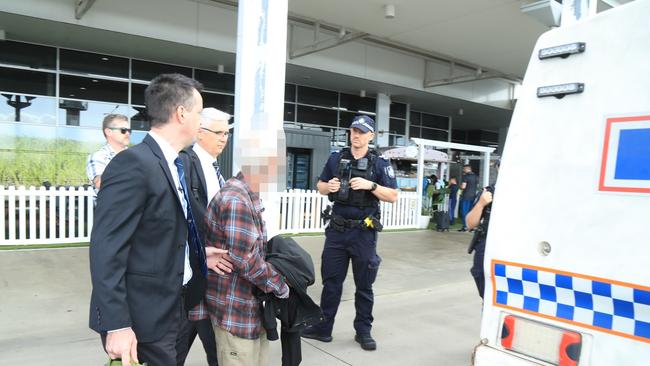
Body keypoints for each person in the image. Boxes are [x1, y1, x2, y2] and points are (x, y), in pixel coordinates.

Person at [88, 73, 229, 365]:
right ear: (181, 113)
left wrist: (200, 253)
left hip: (174, 306)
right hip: (142, 318)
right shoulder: (133, 164)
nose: (201, 121)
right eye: (199, 113)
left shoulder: (177, 162)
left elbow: (162, 230)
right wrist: (117, 325)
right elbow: (107, 248)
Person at [301, 115, 398, 351]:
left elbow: (393, 195)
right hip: (337, 232)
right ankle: (324, 329)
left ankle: (363, 331)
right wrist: (329, 187)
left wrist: (371, 186)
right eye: (353, 131)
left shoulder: (380, 163)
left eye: (362, 132)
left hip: (364, 234)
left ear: (371, 136)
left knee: (364, 285)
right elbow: (320, 186)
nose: (356, 135)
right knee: (331, 283)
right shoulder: (337, 158)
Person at [195, 166, 290, 366]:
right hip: (235, 310)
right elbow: (246, 260)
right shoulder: (236, 198)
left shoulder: (246, 193)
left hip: (249, 309)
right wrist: (280, 285)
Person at [176, 107, 234, 366]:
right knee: (179, 346)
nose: (224, 138)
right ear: (200, 132)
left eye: (227, 133)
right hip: (194, 273)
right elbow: (182, 218)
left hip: (210, 273)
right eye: (219, 132)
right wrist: (198, 255)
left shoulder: (212, 166)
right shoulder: (185, 163)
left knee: (211, 346)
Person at [466, 160, 499, 299]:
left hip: (514, 251)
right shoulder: (488, 192)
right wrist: (481, 203)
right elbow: (470, 223)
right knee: (488, 298)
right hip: (487, 248)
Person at [85, 114, 131, 203]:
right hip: (112, 212)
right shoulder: (97, 157)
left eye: (129, 130)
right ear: (108, 132)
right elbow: (101, 183)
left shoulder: (135, 156)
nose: (128, 133)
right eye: (123, 130)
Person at [458, 164, 478, 232]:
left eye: (464, 169)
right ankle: (471, 227)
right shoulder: (475, 176)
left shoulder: (466, 176)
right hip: (473, 196)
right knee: (471, 212)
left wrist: (460, 187)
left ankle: (465, 226)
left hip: (466, 196)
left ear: (467, 169)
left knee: (464, 212)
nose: (463, 170)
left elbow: (463, 187)